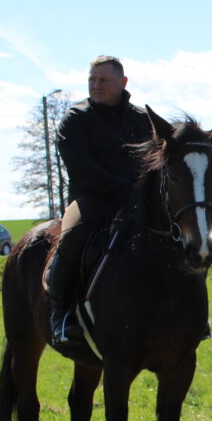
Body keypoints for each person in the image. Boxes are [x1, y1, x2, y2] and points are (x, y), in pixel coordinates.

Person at [50, 55, 153, 345]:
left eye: (103, 80)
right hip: (91, 201)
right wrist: (123, 187)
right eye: (92, 80)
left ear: (123, 82)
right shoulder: (75, 119)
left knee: (178, 240)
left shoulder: (143, 120)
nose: (96, 85)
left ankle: (189, 315)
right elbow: (81, 167)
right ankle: (61, 316)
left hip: (136, 202)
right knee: (72, 238)